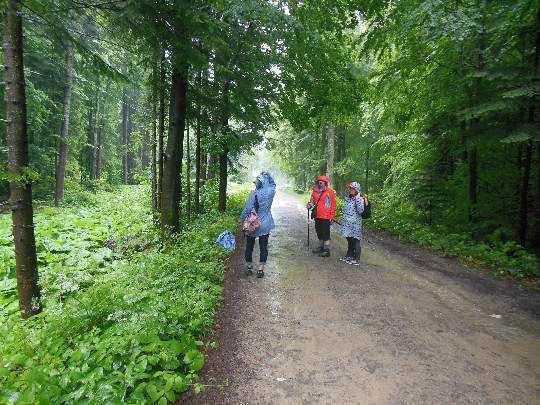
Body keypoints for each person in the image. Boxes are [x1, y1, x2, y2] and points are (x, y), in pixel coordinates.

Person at [240, 172, 276, 278]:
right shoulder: (271, 192)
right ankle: (261, 269)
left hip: (253, 224)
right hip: (265, 224)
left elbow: (247, 209)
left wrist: (241, 219)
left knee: (249, 246)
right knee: (263, 247)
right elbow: (273, 184)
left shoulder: (253, 194)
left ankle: (249, 267)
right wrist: (268, 175)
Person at [307, 175, 336, 257]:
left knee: (325, 233)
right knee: (319, 231)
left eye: (322, 182)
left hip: (326, 216)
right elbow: (312, 202)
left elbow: (333, 205)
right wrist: (309, 205)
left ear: (325, 183)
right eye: (319, 182)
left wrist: (332, 216)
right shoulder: (314, 191)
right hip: (317, 215)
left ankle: (326, 250)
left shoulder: (330, 192)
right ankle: (320, 247)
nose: (320, 184)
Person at [340, 181, 364, 266]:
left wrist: (357, 199)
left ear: (356, 189)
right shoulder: (349, 198)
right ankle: (349, 255)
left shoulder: (359, 198)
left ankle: (356, 259)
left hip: (355, 224)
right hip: (347, 223)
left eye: (351, 188)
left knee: (356, 240)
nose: (349, 189)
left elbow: (361, 210)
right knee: (349, 239)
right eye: (349, 188)